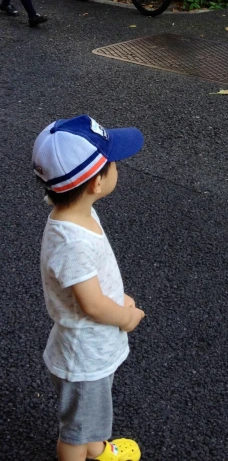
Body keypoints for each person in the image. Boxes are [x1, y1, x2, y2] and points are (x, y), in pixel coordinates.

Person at [34, 115, 146, 461]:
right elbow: (93, 305)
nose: (116, 168)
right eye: (111, 164)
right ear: (96, 183)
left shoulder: (75, 213)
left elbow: (90, 286)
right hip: (85, 358)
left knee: (90, 418)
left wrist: (117, 296)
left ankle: (97, 449)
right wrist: (126, 316)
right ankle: (84, 451)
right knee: (75, 432)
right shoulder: (73, 242)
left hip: (89, 350)